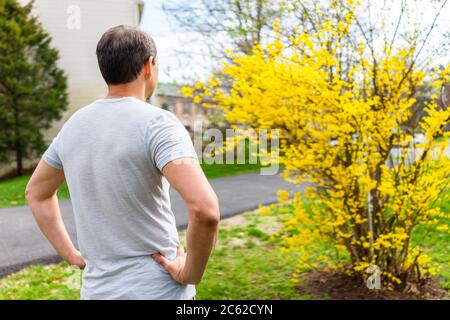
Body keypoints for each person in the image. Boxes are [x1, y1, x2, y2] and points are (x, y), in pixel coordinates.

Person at [24, 25, 220, 300]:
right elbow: (205, 210)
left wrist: (72, 255)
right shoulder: (158, 124)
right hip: (157, 290)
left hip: (96, 292)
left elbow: (36, 193)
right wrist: (190, 273)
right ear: (149, 65)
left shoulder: (74, 126)